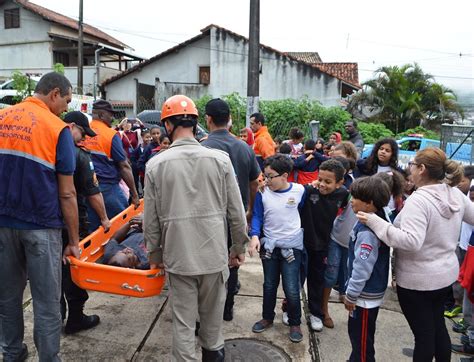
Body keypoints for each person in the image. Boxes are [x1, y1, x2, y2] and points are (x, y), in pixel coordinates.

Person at [143, 95, 249, 361]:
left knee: (183, 325)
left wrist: (155, 256)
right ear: (197, 122)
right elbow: (236, 212)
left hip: (179, 259)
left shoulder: (155, 165)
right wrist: (238, 247)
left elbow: (151, 220)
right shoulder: (220, 160)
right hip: (214, 256)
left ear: (167, 125)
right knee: (213, 330)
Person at [356, 147, 474, 361]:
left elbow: (410, 241)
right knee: (437, 328)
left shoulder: (419, 201)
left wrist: (375, 222)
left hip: (418, 282)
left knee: (424, 336)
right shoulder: (453, 193)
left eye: (412, 166)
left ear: (422, 169)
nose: (408, 170)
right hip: (444, 275)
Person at [0, 72, 79, 361]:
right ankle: (48, 358)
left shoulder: (3, 118)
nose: (66, 108)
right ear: (54, 93)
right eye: (67, 101)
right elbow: (67, 193)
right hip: (42, 227)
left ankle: (11, 354)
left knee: (7, 299)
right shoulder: (57, 129)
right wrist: (73, 239)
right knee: (46, 303)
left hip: (3, 224)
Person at [201, 98, 261, 321]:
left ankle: (209, 312)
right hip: (238, 216)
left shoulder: (202, 147)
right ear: (230, 121)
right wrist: (250, 209)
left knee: (208, 265)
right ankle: (227, 309)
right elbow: (255, 183)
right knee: (234, 259)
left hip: (209, 219)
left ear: (208, 119)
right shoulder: (244, 148)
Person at [61, 111, 111, 335]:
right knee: (74, 270)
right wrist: (104, 219)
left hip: (47, 221)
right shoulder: (80, 156)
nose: (83, 139)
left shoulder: (47, 147)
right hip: (73, 222)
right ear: (71, 126)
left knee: (53, 272)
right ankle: (75, 318)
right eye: (82, 133)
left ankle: (56, 317)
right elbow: (92, 192)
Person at [248, 154, 306, 343]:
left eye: (270, 176)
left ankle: (295, 322)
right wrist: (255, 236)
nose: (266, 180)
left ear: (285, 175)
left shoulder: (299, 191)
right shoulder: (262, 192)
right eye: (265, 175)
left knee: (291, 287)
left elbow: (304, 211)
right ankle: (267, 317)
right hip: (269, 248)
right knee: (269, 285)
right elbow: (257, 216)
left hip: (292, 248)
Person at [345, 176, 392, 362]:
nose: (351, 201)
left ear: (369, 203)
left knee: (362, 340)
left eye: (355, 197)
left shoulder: (367, 232)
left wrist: (351, 294)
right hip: (365, 295)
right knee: (358, 338)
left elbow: (362, 268)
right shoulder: (376, 217)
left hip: (364, 298)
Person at [300, 159, 349, 331]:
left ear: (339, 183)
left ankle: (316, 313)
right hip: (303, 243)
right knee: (296, 279)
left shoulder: (344, 194)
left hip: (324, 245)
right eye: (320, 179)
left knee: (317, 280)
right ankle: (289, 309)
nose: (322, 184)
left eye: (328, 182)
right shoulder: (308, 190)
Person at [81, 100, 139, 232]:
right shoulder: (111, 134)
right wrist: (135, 194)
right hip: (108, 190)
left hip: (86, 191)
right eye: (110, 115)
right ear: (101, 115)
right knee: (123, 225)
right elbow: (124, 166)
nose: (112, 118)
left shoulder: (82, 132)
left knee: (93, 232)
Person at [130, 129, 151, 196]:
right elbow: (133, 161)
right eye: (147, 137)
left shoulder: (153, 148)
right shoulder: (136, 150)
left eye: (150, 137)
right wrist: (140, 168)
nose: (149, 139)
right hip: (142, 174)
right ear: (142, 137)